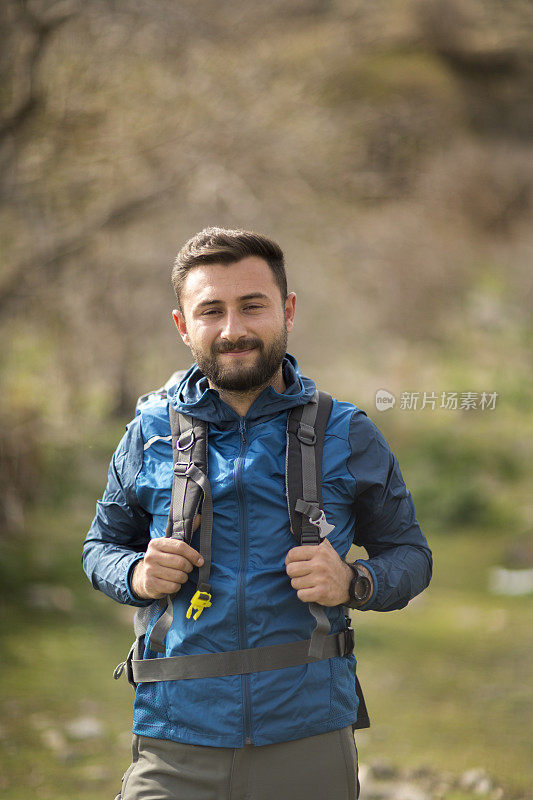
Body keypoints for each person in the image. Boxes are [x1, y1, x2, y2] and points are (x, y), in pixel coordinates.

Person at [82, 227, 432, 800]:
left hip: (309, 738)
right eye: (211, 310)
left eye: (252, 306)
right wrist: (136, 575)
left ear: (287, 309)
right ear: (182, 325)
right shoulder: (147, 433)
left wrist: (356, 580)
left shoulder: (347, 432)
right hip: (174, 742)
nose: (233, 330)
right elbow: (99, 547)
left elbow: (412, 556)